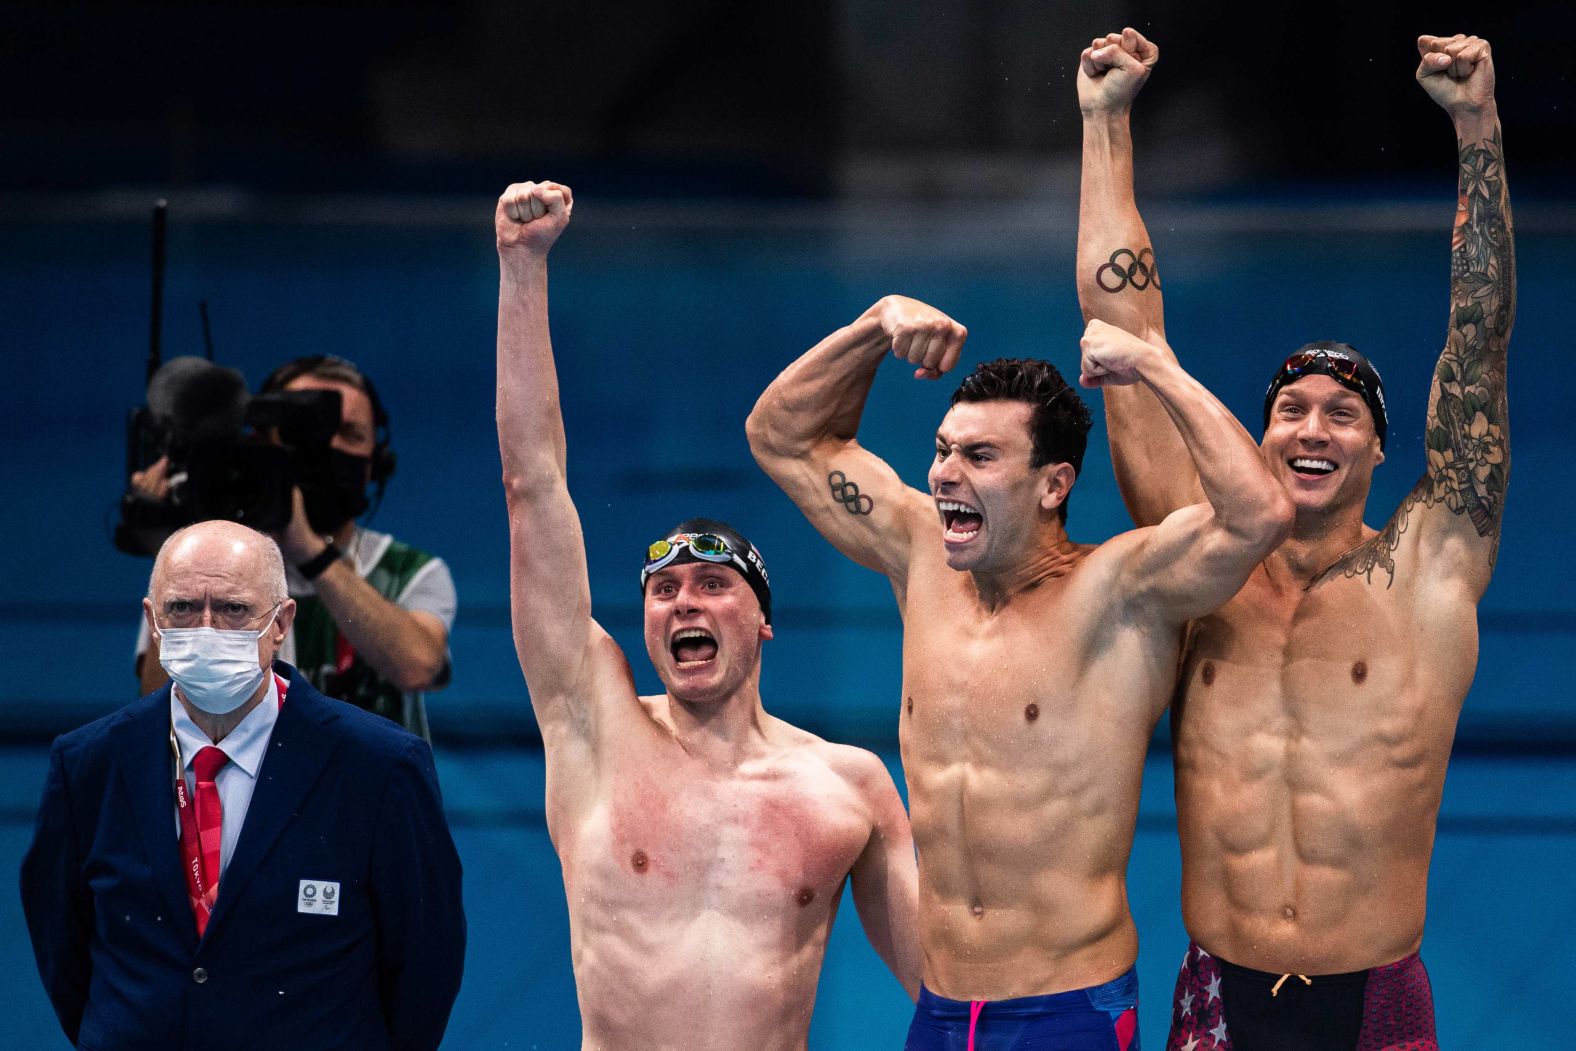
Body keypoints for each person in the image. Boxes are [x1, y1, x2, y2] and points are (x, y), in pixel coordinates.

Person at [1076, 28, 1513, 1049]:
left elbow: (1480, 339)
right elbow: (1126, 332)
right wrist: (1105, 123)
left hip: (1371, 1001)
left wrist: (1476, 127)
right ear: (1261, 434)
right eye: (1290, 409)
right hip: (1218, 996)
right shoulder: (1203, 562)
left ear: (1376, 451)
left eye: (1341, 414)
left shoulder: (1429, 564)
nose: (1311, 429)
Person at [747, 282, 1293, 1043]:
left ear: (1053, 485)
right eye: (941, 451)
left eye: (978, 456)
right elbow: (780, 436)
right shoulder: (919, 556)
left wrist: (1155, 366)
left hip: (1067, 1011)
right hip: (940, 1012)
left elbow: (1258, 513)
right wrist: (871, 327)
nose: (943, 475)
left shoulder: (1120, 591)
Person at [495, 178, 922, 1049]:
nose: (684, 599)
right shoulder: (592, 725)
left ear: (763, 621)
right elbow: (533, 484)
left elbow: (947, 990)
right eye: (663, 589)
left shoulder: (849, 786)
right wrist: (521, 269)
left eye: (711, 583)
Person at [21, 519, 466, 1050]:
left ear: (281, 623)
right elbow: (62, 950)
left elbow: (424, 965)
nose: (206, 629)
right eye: (182, 608)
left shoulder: (380, 766)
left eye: (233, 609)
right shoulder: (86, 765)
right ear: (152, 620)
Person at [133, 354, 455, 739]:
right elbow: (157, 706)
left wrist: (311, 551)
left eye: (350, 434)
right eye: (302, 433)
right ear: (261, 439)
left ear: (376, 462)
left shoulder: (408, 571)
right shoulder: (206, 574)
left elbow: (418, 665)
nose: (326, 448)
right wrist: (175, 555)